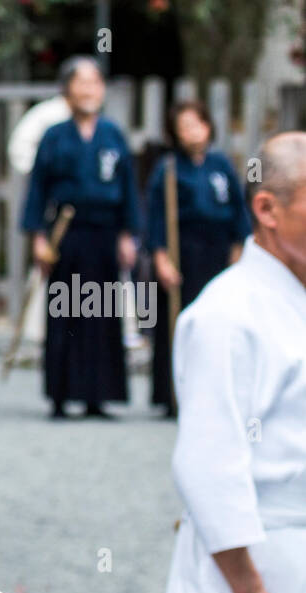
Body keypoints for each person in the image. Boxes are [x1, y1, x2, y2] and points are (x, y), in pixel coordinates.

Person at [114, 132, 306, 593]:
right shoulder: (228, 312)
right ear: (268, 209)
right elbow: (208, 462)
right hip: (250, 562)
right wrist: (249, 589)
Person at [22, 55, 140, 420]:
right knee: (64, 310)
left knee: (102, 312)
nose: (89, 89)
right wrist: (37, 238)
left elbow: (129, 189)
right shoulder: (54, 137)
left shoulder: (113, 135)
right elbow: (37, 190)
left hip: (104, 232)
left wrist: (128, 234)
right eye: (81, 82)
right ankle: (60, 395)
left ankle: (97, 396)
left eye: (95, 83)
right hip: (65, 233)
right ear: (67, 90)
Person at [144, 101, 252, 417]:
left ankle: (217, 392)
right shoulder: (168, 167)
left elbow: (238, 211)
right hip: (184, 252)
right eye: (184, 126)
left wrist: (237, 251)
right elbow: (156, 216)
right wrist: (162, 258)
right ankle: (174, 394)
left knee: (219, 322)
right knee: (183, 321)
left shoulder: (221, 164)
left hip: (218, 251)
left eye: (197, 124)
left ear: (208, 126)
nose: (192, 131)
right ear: (175, 133)